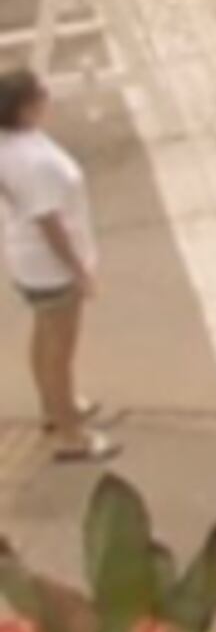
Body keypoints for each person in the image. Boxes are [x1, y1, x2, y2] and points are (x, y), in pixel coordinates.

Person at [0, 69, 108, 461]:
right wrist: (80, 271)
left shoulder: (12, 144)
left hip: (28, 261)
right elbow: (51, 224)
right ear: (27, 109)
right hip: (50, 266)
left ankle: (54, 407)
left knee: (45, 335)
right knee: (60, 348)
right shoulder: (34, 161)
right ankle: (69, 433)